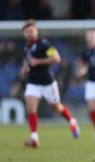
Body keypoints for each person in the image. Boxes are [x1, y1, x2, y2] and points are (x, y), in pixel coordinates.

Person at [20, 19, 80, 148]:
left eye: (32, 31)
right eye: (27, 31)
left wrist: (38, 61)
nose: (29, 33)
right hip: (33, 83)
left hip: (47, 83)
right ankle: (34, 138)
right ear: (24, 34)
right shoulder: (26, 48)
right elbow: (28, 63)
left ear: (36, 31)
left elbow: (56, 58)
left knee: (56, 107)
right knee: (31, 108)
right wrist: (25, 69)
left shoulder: (43, 44)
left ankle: (72, 121)